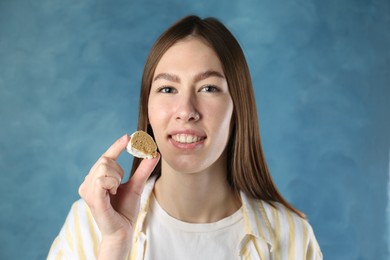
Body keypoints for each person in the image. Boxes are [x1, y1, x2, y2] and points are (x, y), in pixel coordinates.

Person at [48, 15, 322, 260]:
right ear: (148, 110)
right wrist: (114, 243)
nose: (186, 111)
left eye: (208, 88)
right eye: (167, 89)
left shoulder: (292, 237)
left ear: (238, 107)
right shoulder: (90, 222)